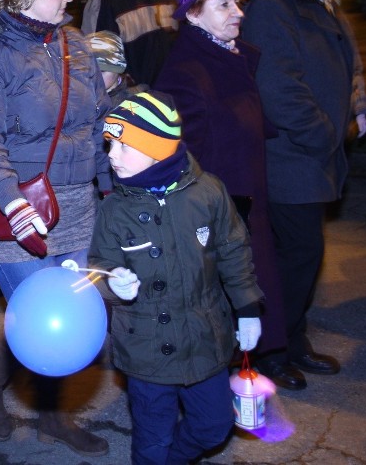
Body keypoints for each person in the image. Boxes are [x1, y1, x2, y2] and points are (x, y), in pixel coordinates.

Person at [0, 0, 112, 456]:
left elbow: (95, 124)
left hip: (77, 204)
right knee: (32, 314)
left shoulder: (74, 44)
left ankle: (53, 416)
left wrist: (108, 186)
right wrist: (9, 199)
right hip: (19, 207)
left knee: (64, 313)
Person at [90, 91, 264, 465]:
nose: (111, 156)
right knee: (152, 439)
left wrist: (248, 307)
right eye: (110, 145)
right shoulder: (114, 208)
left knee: (214, 425)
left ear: (157, 148)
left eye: (123, 146)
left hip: (205, 339)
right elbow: (99, 266)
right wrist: (112, 283)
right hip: (146, 348)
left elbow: (234, 251)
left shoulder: (208, 193)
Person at [153, 0, 295, 388]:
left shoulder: (230, 57)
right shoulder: (185, 72)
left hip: (250, 201)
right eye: (225, 5)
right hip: (221, 214)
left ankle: (251, 367)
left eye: (237, 2)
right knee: (221, 305)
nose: (238, 12)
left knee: (252, 295)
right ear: (193, 13)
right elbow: (182, 155)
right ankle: (215, 391)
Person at [241, 0, 355, 381]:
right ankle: (272, 352)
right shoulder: (274, 6)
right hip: (293, 157)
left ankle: (294, 339)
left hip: (310, 155)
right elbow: (280, 88)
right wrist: (325, 134)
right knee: (294, 256)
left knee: (303, 256)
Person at [85, 30, 147, 105]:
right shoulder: (79, 95)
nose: (92, 76)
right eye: (87, 69)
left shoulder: (131, 104)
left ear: (117, 69)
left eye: (102, 71)